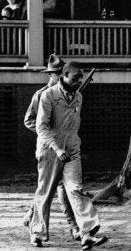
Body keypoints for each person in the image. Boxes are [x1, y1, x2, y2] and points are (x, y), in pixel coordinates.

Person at [30, 61, 108, 250]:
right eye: (75, 78)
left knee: (76, 189)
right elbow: (41, 126)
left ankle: (87, 233)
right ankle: (37, 233)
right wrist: (57, 148)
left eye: (80, 78)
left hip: (72, 149)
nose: (78, 81)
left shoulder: (78, 96)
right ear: (64, 76)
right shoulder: (47, 96)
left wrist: (71, 146)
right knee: (46, 192)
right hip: (50, 150)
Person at [22, 54, 80, 242]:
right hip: (49, 149)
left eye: (61, 73)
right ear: (51, 75)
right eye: (56, 74)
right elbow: (30, 120)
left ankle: (74, 227)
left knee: (67, 189)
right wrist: (48, 136)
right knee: (46, 189)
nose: (59, 76)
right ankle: (36, 227)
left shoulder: (72, 94)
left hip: (66, 149)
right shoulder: (41, 95)